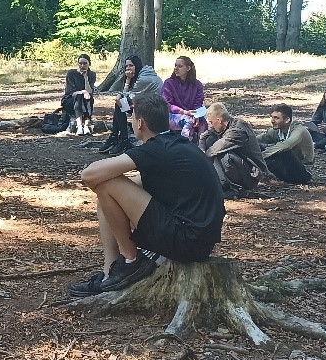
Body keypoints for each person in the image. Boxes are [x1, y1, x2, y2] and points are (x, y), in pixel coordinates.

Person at [66, 94, 225, 297]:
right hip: (199, 241)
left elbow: (88, 175)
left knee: (106, 184)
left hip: (186, 240)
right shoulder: (176, 144)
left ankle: (131, 260)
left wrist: (111, 191)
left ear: (140, 123)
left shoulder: (156, 150)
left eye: (132, 118)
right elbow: (134, 185)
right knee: (107, 194)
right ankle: (110, 273)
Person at [98, 55, 163, 155]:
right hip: (146, 104)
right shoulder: (142, 74)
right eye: (126, 66)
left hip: (153, 109)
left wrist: (127, 81)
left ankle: (122, 139)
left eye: (131, 65)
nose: (128, 68)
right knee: (119, 104)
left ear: (137, 65)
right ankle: (117, 138)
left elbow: (130, 96)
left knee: (120, 103)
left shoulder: (144, 79)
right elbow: (130, 96)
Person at [198, 102, 267, 197]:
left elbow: (214, 150)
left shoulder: (237, 131)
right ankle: (221, 183)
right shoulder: (224, 125)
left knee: (225, 156)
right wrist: (202, 148)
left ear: (219, 120)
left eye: (211, 122)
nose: (210, 126)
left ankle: (236, 189)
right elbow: (204, 136)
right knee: (210, 139)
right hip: (241, 166)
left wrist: (200, 161)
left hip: (251, 176)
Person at [257, 103, 313, 184]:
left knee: (284, 150)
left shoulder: (299, 130)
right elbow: (258, 139)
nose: (272, 121)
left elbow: (286, 146)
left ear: (287, 120)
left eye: (276, 118)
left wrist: (261, 157)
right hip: (285, 170)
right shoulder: (276, 131)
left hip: (302, 173)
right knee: (258, 147)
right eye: (272, 117)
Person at [160, 55, 206, 140]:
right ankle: (185, 144)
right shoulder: (169, 83)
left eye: (180, 66)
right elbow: (167, 104)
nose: (176, 68)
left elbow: (198, 103)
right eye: (175, 65)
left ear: (188, 68)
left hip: (191, 114)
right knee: (188, 121)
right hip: (172, 115)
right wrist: (183, 112)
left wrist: (196, 115)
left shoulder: (197, 85)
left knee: (203, 122)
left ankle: (201, 145)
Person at [62, 54, 96, 135]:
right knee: (79, 96)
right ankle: (80, 126)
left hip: (85, 100)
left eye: (85, 63)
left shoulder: (92, 74)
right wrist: (83, 92)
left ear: (89, 64)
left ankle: (86, 124)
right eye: (80, 63)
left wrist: (85, 78)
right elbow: (70, 92)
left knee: (88, 97)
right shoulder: (71, 73)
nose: (82, 66)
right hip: (70, 100)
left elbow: (90, 91)